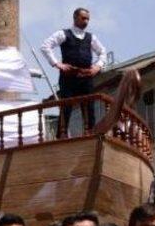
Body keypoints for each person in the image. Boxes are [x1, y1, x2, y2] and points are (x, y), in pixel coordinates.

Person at [41, 8, 107, 136]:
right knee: (66, 106)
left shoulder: (91, 37)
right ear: (75, 18)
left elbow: (102, 52)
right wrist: (57, 64)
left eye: (88, 19)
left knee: (89, 107)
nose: (86, 21)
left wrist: (97, 67)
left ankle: (90, 135)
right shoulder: (64, 34)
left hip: (86, 76)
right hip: (68, 76)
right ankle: (61, 136)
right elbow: (45, 46)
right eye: (83, 18)